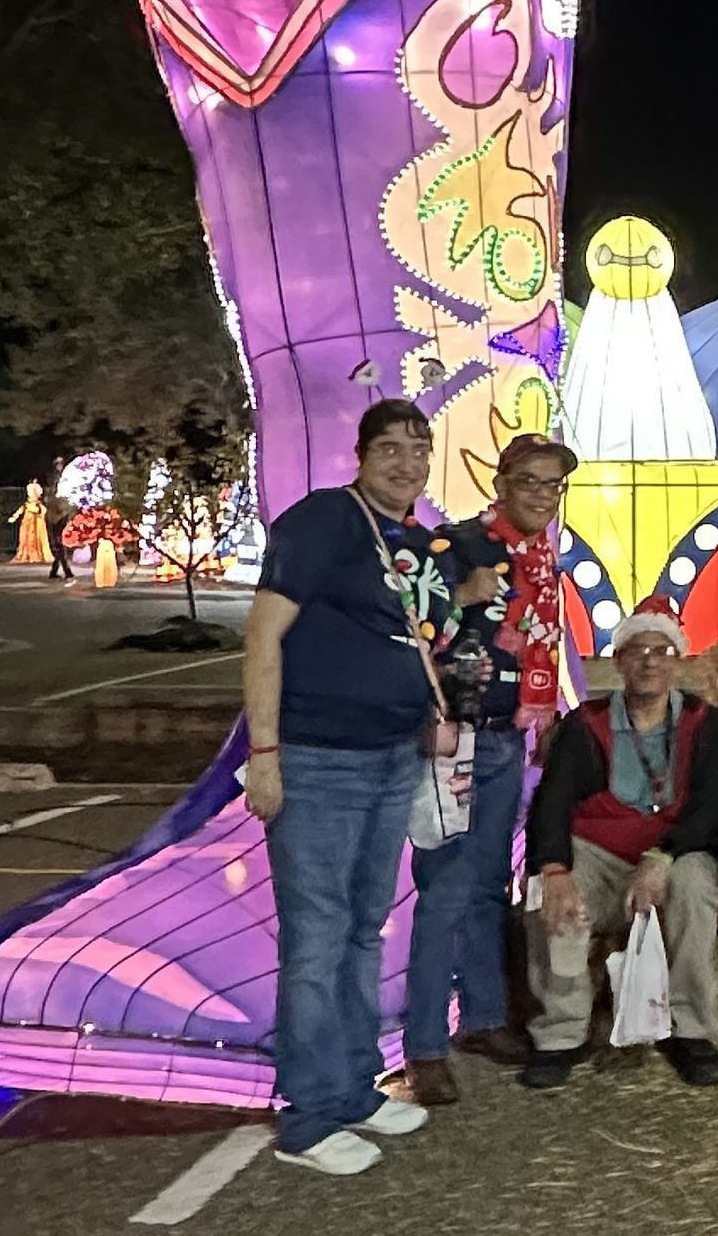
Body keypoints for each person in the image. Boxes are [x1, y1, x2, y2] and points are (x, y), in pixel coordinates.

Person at [243, 399, 457, 1175]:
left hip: (389, 757)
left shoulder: (398, 540)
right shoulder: (323, 521)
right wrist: (264, 752)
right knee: (317, 938)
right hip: (317, 759)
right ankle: (307, 1117)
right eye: (391, 448)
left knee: (366, 927)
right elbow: (264, 633)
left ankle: (353, 1086)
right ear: (361, 454)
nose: (407, 462)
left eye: (418, 449)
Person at [402, 433, 579, 1106]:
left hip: (507, 736)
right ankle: (423, 1046)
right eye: (529, 481)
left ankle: (480, 1018)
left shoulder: (539, 556)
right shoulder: (454, 546)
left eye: (551, 485)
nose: (540, 494)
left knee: (485, 886)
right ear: (500, 481)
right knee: (446, 888)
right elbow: (412, 632)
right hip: (457, 739)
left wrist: (544, 710)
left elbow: (539, 638)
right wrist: (462, 597)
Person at [521, 596, 718, 1088]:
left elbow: (711, 805)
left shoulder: (706, 723)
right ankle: (561, 1033)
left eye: (661, 650)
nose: (649, 661)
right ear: (618, 661)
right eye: (637, 650)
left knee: (696, 886)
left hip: (672, 851)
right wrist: (553, 869)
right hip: (598, 851)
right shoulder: (585, 723)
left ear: (677, 660)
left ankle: (691, 1029)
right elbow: (551, 803)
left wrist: (661, 857)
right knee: (549, 899)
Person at [45, 492, 75, 581]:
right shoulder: (54, 512)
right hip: (57, 532)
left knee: (59, 555)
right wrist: (65, 513)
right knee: (61, 553)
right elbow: (54, 521)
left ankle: (54, 572)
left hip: (58, 532)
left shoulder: (54, 509)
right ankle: (67, 572)